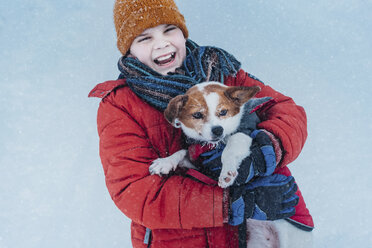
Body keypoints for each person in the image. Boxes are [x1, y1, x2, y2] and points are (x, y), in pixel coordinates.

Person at [88, 0, 314, 247]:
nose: (161, 44)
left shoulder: (221, 71)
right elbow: (136, 193)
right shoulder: (121, 104)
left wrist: (269, 148)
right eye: (144, 38)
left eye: (168, 30)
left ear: (182, 32)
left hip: (251, 237)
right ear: (129, 49)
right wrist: (229, 203)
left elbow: (287, 111)